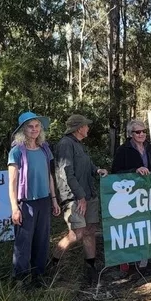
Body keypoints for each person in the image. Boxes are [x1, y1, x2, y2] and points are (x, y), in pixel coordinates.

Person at [50, 114, 109, 284]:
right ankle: (54, 263)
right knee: (77, 233)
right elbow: (67, 173)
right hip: (74, 197)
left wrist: (97, 170)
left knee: (90, 230)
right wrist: (80, 196)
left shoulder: (79, 145)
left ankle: (91, 269)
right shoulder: (65, 144)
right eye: (86, 126)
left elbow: (87, 165)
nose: (88, 128)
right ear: (79, 128)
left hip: (89, 194)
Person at [8, 112, 61, 287]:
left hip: (44, 200)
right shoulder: (16, 152)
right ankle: (21, 279)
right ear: (23, 129)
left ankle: (39, 275)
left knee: (42, 239)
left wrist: (54, 199)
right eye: (30, 126)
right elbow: (12, 182)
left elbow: (49, 176)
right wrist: (15, 207)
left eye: (37, 126)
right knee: (23, 242)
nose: (34, 130)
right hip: (26, 203)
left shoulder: (45, 149)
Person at [111, 119, 151, 274]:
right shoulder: (123, 150)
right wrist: (135, 170)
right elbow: (116, 172)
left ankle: (147, 262)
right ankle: (131, 263)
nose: (142, 134)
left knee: (148, 225)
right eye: (138, 132)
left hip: (149, 193)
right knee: (133, 228)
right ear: (131, 134)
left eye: (144, 131)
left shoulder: (150, 148)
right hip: (131, 196)